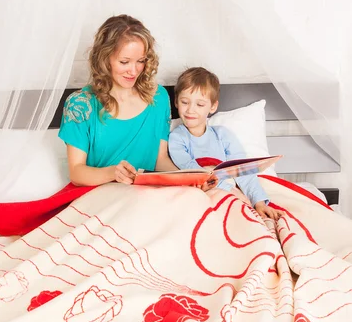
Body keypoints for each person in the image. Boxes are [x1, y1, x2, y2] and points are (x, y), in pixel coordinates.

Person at [58, 14, 178, 186]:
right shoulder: (80, 104)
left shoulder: (158, 98)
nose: (134, 71)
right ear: (105, 59)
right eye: (124, 62)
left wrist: (189, 179)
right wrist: (112, 172)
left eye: (141, 61)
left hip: (147, 194)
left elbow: (160, 160)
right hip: (99, 195)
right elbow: (77, 173)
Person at [169, 67, 281, 220]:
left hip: (228, 192)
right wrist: (228, 190)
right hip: (201, 193)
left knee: (251, 219)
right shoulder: (177, 137)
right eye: (184, 102)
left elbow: (243, 171)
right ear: (176, 102)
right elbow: (189, 169)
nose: (190, 110)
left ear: (213, 106)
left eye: (200, 105)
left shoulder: (222, 135)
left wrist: (259, 201)